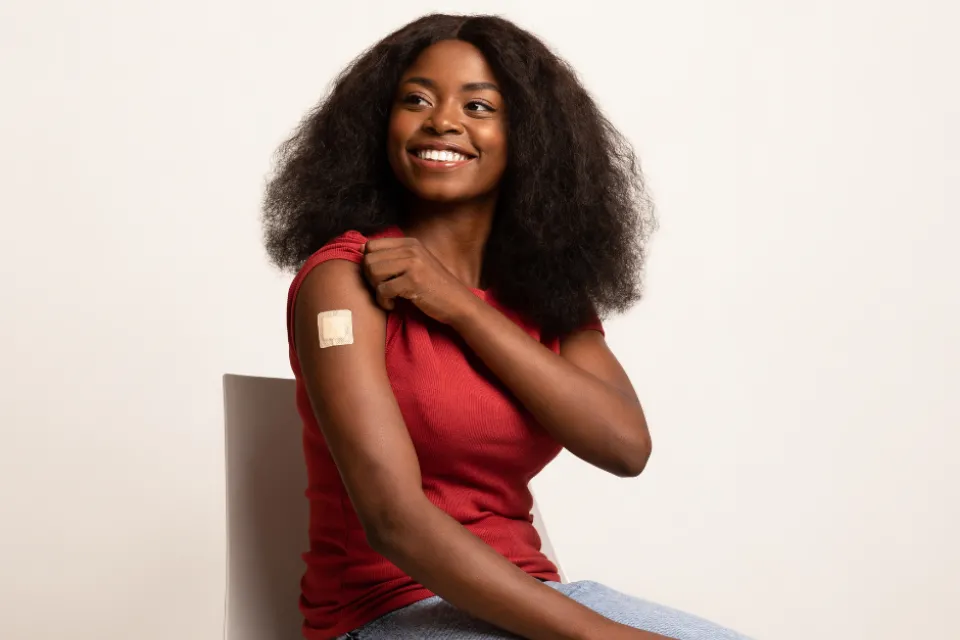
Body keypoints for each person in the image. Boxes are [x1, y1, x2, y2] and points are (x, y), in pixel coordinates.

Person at [262, 12, 751, 640]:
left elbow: (624, 447)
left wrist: (462, 307)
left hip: (528, 595)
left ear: (529, 140)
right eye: (416, 99)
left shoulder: (542, 296)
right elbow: (393, 520)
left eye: (480, 106)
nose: (442, 120)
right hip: (387, 615)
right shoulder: (346, 280)